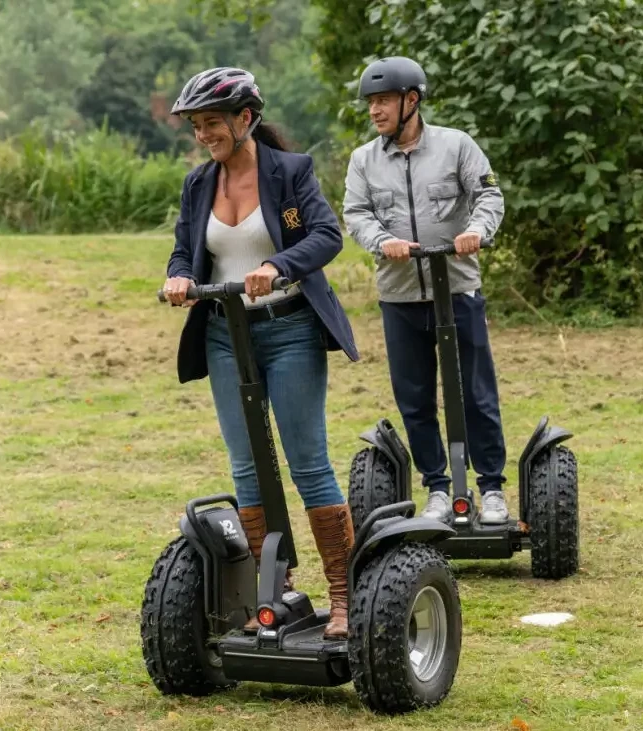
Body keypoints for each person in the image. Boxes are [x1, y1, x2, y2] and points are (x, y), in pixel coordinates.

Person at [162, 67, 359, 638]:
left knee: (307, 461)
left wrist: (277, 266)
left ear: (245, 119)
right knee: (247, 466)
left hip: (290, 328)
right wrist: (178, 278)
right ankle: (277, 590)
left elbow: (324, 235)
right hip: (226, 332)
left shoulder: (290, 174)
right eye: (197, 126)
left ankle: (343, 598)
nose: (204, 134)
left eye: (212, 123)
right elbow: (184, 251)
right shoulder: (200, 185)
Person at [342, 56, 510, 526]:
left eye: (382, 101)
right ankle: (437, 486)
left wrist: (477, 229)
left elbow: (489, 194)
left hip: (456, 289)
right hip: (399, 296)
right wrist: (382, 240)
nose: (374, 111)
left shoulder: (457, 146)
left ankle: (492, 488)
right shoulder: (364, 160)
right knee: (413, 397)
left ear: (411, 101)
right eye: (370, 103)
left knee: (475, 393)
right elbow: (355, 214)